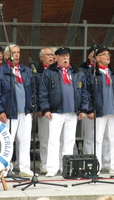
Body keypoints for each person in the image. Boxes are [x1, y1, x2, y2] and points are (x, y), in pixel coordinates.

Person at [39, 47, 89, 177]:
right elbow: (43, 92)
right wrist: (46, 109)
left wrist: (83, 109)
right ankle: (52, 167)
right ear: (56, 58)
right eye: (62, 56)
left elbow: (84, 92)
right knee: (53, 140)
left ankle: (66, 167)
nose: (65, 58)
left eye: (67, 55)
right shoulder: (49, 72)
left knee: (69, 140)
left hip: (72, 112)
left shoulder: (77, 72)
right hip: (56, 112)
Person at [0, 44, 34, 177]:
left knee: (25, 140)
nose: (16, 55)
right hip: (9, 112)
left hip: (24, 112)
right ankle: (5, 167)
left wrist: (31, 108)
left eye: (18, 52)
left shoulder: (25, 70)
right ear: (7, 55)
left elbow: (32, 91)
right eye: (13, 52)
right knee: (7, 141)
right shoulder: (0, 72)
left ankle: (24, 168)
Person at [86, 47, 114, 174]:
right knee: (97, 138)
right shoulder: (92, 73)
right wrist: (89, 109)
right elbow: (86, 93)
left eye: (108, 54)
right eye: (104, 55)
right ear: (97, 58)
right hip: (100, 110)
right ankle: (96, 165)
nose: (107, 57)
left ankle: (113, 165)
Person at [36, 47, 55, 174]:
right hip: (44, 110)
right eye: (48, 55)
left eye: (53, 55)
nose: (51, 57)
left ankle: (57, 163)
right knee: (45, 138)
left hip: (58, 109)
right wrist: (39, 108)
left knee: (57, 139)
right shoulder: (37, 72)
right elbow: (36, 92)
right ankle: (44, 164)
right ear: (41, 57)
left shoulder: (58, 70)